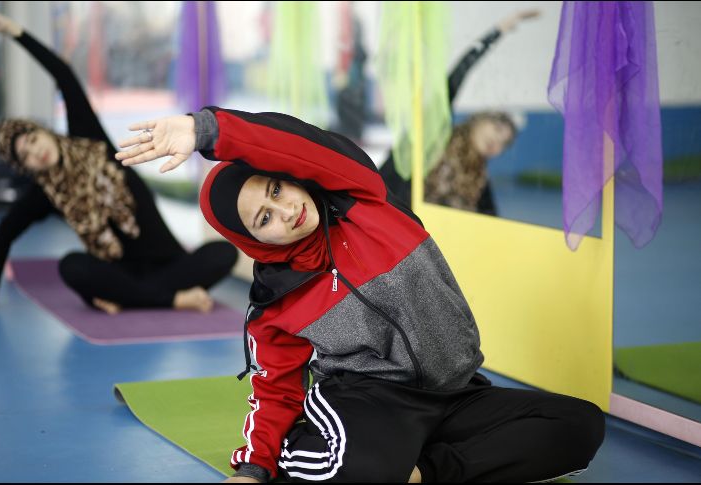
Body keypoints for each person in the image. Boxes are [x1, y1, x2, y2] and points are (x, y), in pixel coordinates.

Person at [115, 107, 605, 483]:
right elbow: (274, 390)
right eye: (263, 219)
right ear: (253, 241)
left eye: (277, 190)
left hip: (455, 392)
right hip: (372, 401)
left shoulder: (363, 200)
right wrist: (253, 470)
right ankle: (392, 464)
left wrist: (204, 131)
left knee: (580, 425)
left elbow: (301, 143)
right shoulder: (276, 302)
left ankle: (420, 473)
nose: (285, 212)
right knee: (352, 463)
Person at [0, 8, 236, 316]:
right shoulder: (46, 193)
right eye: (26, 158)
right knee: (72, 267)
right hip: (121, 275)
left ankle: (137, 298)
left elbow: (63, 74)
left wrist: (14, 31)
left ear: (42, 132)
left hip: (172, 264)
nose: (36, 153)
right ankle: (172, 299)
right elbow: (3, 233)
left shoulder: (89, 138)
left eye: (33, 141)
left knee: (223, 253)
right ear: (25, 168)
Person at [379, 9, 537, 216]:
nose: (496, 141)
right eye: (497, 128)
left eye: (504, 143)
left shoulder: (478, 177)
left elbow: (491, 223)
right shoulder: (436, 134)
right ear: (479, 120)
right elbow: (459, 72)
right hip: (388, 216)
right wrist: (499, 30)